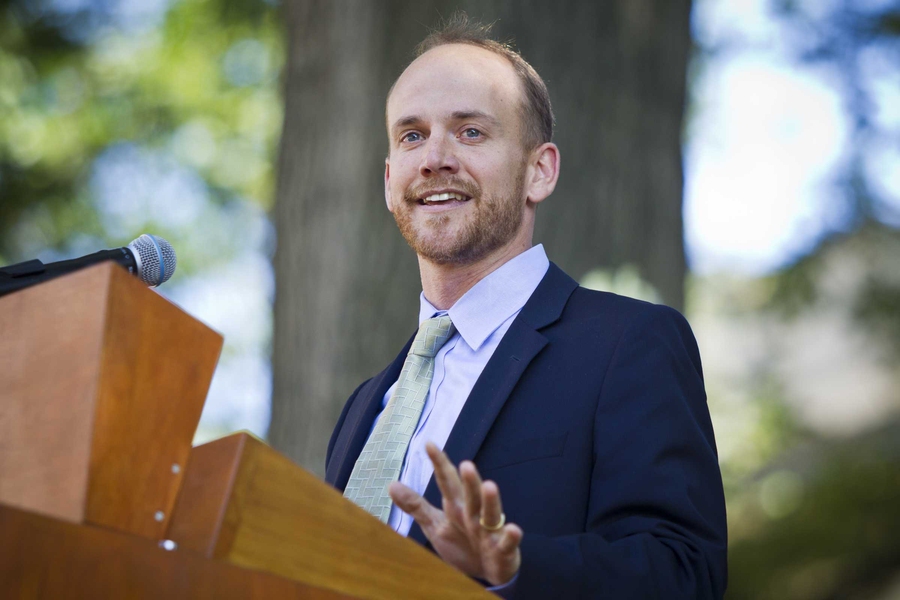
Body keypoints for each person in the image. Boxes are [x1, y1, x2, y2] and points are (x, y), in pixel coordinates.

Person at [325, 14, 727, 599]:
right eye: (412, 135)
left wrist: (515, 569)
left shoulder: (629, 343)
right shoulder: (366, 405)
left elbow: (683, 574)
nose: (434, 157)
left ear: (539, 171)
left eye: (470, 132)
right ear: (390, 181)